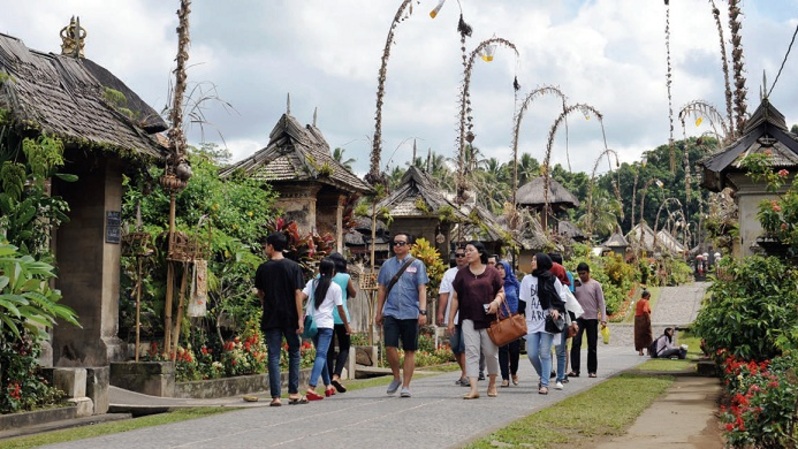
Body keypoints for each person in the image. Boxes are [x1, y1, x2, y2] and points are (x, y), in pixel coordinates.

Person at [255, 232, 306, 407]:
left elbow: (260, 292)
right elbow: (298, 293)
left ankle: (276, 396)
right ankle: (293, 392)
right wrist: (300, 318)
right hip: (290, 316)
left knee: (274, 355)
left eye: (266, 245)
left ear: (270, 246)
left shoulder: (263, 268)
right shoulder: (293, 267)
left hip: (271, 316)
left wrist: (266, 303)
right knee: (294, 352)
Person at [447, 241, 504, 399]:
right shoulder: (462, 274)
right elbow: (456, 298)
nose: (467, 253)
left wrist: (496, 302)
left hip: (488, 320)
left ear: (480, 253)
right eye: (465, 251)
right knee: (472, 353)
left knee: (490, 353)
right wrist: (451, 320)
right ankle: (474, 388)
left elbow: (501, 291)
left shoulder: (492, 272)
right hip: (468, 318)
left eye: (470, 250)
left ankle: (492, 383)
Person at [375, 232, 429, 398]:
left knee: (409, 349)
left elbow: (422, 288)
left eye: (401, 243)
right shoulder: (387, 265)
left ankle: (406, 385)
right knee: (390, 346)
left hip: (410, 312)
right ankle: (396, 377)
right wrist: (379, 312)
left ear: (409, 246)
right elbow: (382, 288)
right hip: (391, 311)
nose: (397, 246)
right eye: (395, 243)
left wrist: (422, 311)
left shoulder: (417, 265)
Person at [301, 258, 352, 401]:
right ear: (333, 272)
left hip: (312, 324)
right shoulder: (335, 287)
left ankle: (328, 385)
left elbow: (301, 296)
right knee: (321, 355)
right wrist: (347, 327)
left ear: (319, 270)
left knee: (320, 354)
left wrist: (300, 315)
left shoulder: (311, 284)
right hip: (326, 324)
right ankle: (311, 387)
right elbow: (341, 310)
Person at [519, 253, 566, 395]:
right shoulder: (526, 279)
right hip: (532, 322)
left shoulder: (552, 280)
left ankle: (544, 383)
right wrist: (519, 315)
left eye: (535, 259)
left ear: (542, 262)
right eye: (532, 259)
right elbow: (522, 300)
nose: (532, 261)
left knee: (545, 352)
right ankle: (544, 374)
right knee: (532, 354)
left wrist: (557, 310)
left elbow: (561, 298)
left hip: (547, 322)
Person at [437, 245, 469, 386]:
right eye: (457, 255)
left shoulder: (474, 271)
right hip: (453, 316)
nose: (460, 258)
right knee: (455, 346)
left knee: (465, 345)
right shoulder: (449, 274)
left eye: (463, 255)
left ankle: (466, 374)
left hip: (469, 315)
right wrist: (440, 313)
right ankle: (464, 371)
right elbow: (444, 294)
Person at [569, 262, 607, 379]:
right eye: (580, 274)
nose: (582, 276)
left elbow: (601, 302)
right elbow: (571, 299)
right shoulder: (576, 284)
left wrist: (603, 318)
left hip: (592, 317)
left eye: (584, 273)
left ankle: (592, 370)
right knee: (576, 343)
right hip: (579, 317)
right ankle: (575, 369)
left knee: (592, 345)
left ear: (588, 272)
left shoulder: (595, 285)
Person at [326, 252, 357, 393]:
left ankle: (328, 380)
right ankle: (336, 375)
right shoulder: (345, 277)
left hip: (326, 316)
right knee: (345, 346)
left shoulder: (322, 277)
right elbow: (354, 293)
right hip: (341, 316)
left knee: (329, 349)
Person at [549, 252, 572, 389]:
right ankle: (553, 373)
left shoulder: (563, 287)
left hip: (561, 319)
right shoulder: (545, 283)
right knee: (548, 349)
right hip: (549, 319)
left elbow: (570, 303)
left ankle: (560, 375)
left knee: (560, 348)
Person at [496, 260, 521, 388]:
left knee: (515, 350)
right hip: (500, 320)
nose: (500, 270)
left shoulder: (515, 284)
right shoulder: (494, 284)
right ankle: (505, 377)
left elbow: (522, 299)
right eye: (498, 268)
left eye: (502, 268)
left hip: (514, 319)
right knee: (503, 349)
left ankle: (514, 372)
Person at [634, 290, 653, 356]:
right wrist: (647, 319)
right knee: (648, 335)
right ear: (646, 296)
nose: (649, 298)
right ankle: (649, 351)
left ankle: (640, 351)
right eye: (649, 296)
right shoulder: (645, 302)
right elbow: (645, 310)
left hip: (637, 319)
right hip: (644, 319)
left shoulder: (638, 302)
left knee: (639, 335)